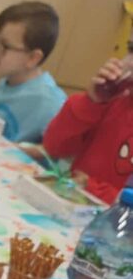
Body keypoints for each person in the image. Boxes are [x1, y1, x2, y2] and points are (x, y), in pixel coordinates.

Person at [42, 54, 133, 204]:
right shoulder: (115, 100)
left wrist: (91, 188)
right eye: (131, 50)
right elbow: (55, 146)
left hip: (111, 215)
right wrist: (90, 102)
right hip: (69, 203)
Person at [0, 1, 67, 143]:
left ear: (33, 58)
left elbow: (62, 148)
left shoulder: (52, 103)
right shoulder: (4, 83)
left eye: (3, 46)